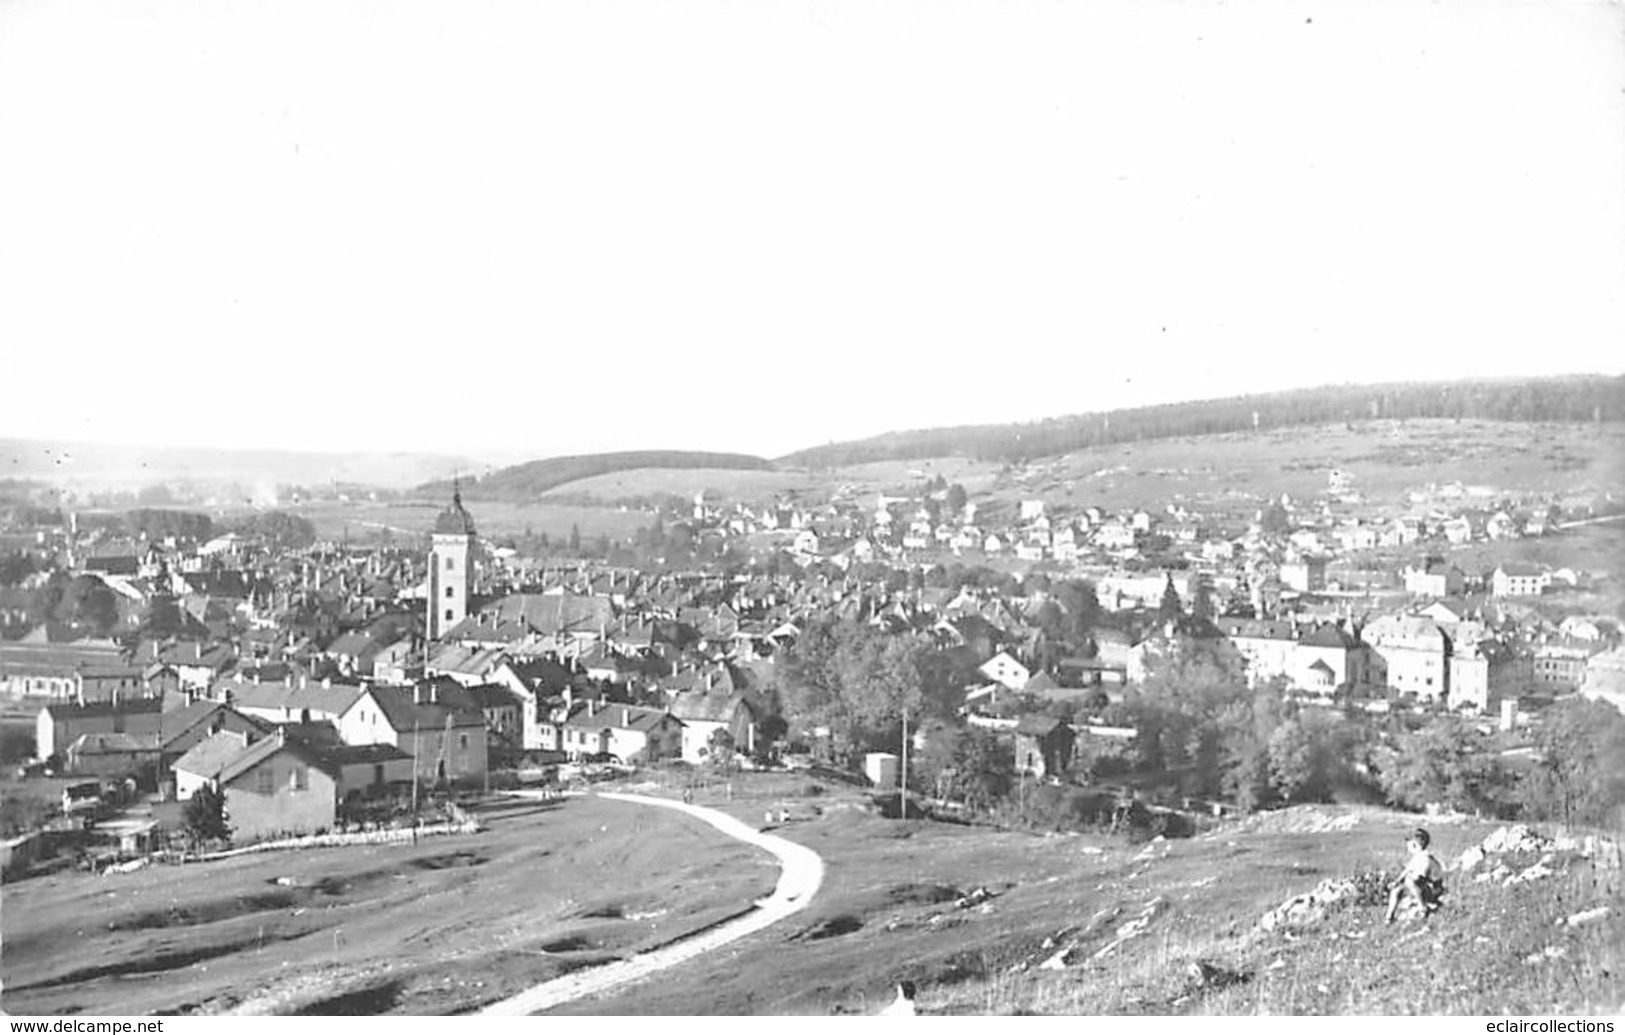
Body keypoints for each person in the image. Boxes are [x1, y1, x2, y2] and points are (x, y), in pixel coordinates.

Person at [1386, 827, 1444, 924]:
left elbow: (1421, 876)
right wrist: (1397, 882)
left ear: (1414, 845)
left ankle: (1422, 907)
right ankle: (1389, 916)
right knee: (1396, 889)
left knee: (1409, 880)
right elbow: (1407, 869)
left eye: (1408, 845)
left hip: (1433, 889)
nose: (1407, 847)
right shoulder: (1417, 857)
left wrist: (1411, 878)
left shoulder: (1426, 859)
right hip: (1421, 887)